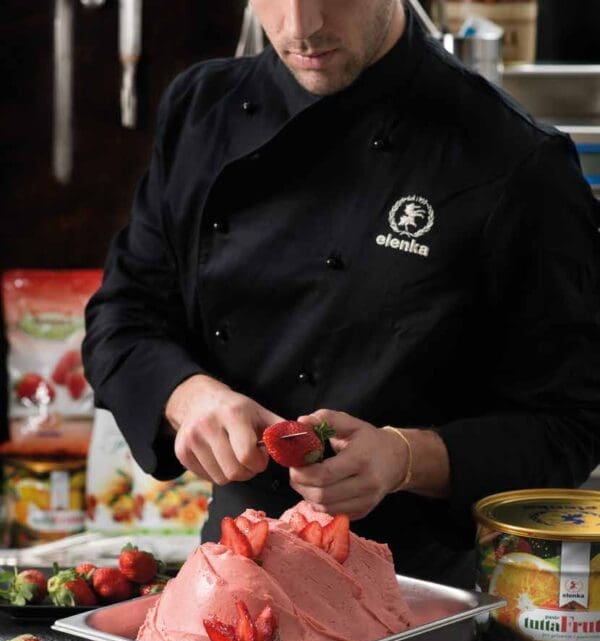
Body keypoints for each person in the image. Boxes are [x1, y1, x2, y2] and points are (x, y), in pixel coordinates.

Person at [83, 0, 600, 589]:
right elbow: (122, 317)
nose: (301, 27)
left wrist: (404, 458)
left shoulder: (514, 159)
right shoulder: (202, 109)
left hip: (415, 601)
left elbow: (572, 421)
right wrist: (187, 397)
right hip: (229, 579)